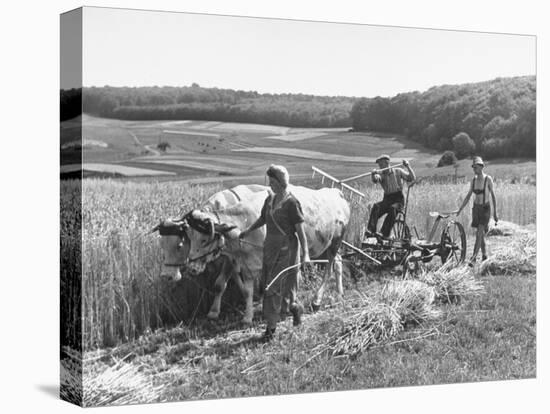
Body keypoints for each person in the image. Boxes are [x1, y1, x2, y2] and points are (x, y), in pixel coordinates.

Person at [239, 165, 309, 341]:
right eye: (270, 182)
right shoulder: (269, 201)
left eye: (274, 182)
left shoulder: (292, 203)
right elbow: (263, 219)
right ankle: (295, 309)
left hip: (287, 249)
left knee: (274, 287)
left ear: (281, 182)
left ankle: (271, 329)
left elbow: (300, 231)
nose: (271, 185)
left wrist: (306, 254)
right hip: (270, 248)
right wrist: (247, 230)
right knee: (271, 286)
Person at [455, 156, 498, 266]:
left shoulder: (488, 179)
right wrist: (460, 209)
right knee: (480, 234)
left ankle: (473, 258)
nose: (474, 169)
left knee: (479, 233)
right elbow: (468, 196)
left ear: (481, 167)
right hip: (476, 209)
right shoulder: (473, 180)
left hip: (485, 209)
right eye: (473, 167)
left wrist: (495, 213)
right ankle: (484, 255)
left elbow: (493, 196)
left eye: (476, 167)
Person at [366, 155, 416, 238]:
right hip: (387, 199)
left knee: (392, 209)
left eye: (381, 165)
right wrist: (373, 174)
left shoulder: (398, 171)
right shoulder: (381, 174)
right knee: (376, 207)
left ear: (387, 163)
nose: (380, 167)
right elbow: (376, 179)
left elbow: (412, 178)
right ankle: (371, 231)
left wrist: (408, 166)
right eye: (379, 165)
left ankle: (384, 234)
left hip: (398, 200)